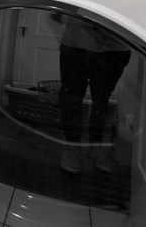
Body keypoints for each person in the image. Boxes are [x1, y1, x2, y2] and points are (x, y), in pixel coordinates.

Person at [55, 14, 131, 174]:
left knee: (102, 100)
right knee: (71, 98)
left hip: (115, 47)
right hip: (76, 44)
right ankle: (72, 146)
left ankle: (96, 146)